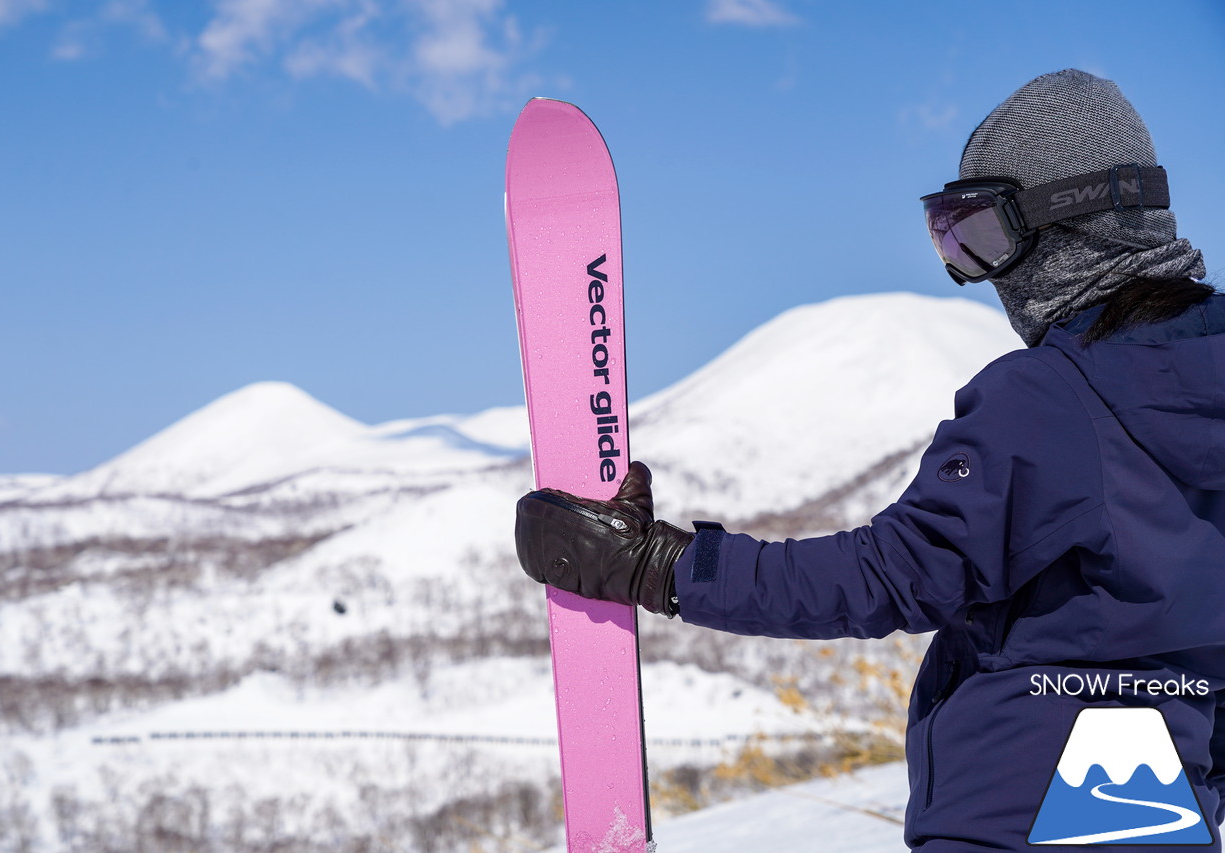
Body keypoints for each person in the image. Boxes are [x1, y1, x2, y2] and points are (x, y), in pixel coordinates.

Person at [514, 69, 1222, 850]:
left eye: (982, 235)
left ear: (1067, 222)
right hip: (1160, 819)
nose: (972, 275)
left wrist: (659, 566)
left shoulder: (1052, 399)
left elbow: (885, 575)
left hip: (1012, 823)